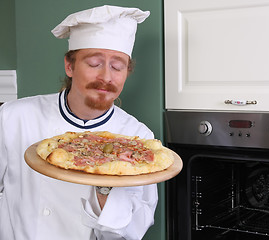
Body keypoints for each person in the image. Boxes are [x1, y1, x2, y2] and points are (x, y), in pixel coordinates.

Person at [0, 5, 158, 240]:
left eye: (117, 66)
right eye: (94, 63)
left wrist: (106, 182)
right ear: (69, 66)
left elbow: (129, 234)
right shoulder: (13, 117)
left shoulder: (139, 139)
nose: (106, 77)